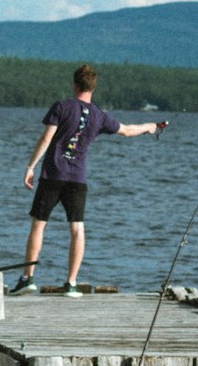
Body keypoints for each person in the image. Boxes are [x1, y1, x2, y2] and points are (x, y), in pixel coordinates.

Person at [13, 65, 163, 296]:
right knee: (77, 228)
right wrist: (149, 127)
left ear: (74, 85)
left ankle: (27, 279)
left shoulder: (62, 107)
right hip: (78, 179)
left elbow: (46, 138)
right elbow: (127, 130)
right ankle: (71, 283)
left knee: (38, 224)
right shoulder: (99, 116)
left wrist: (30, 166)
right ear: (94, 87)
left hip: (52, 175)